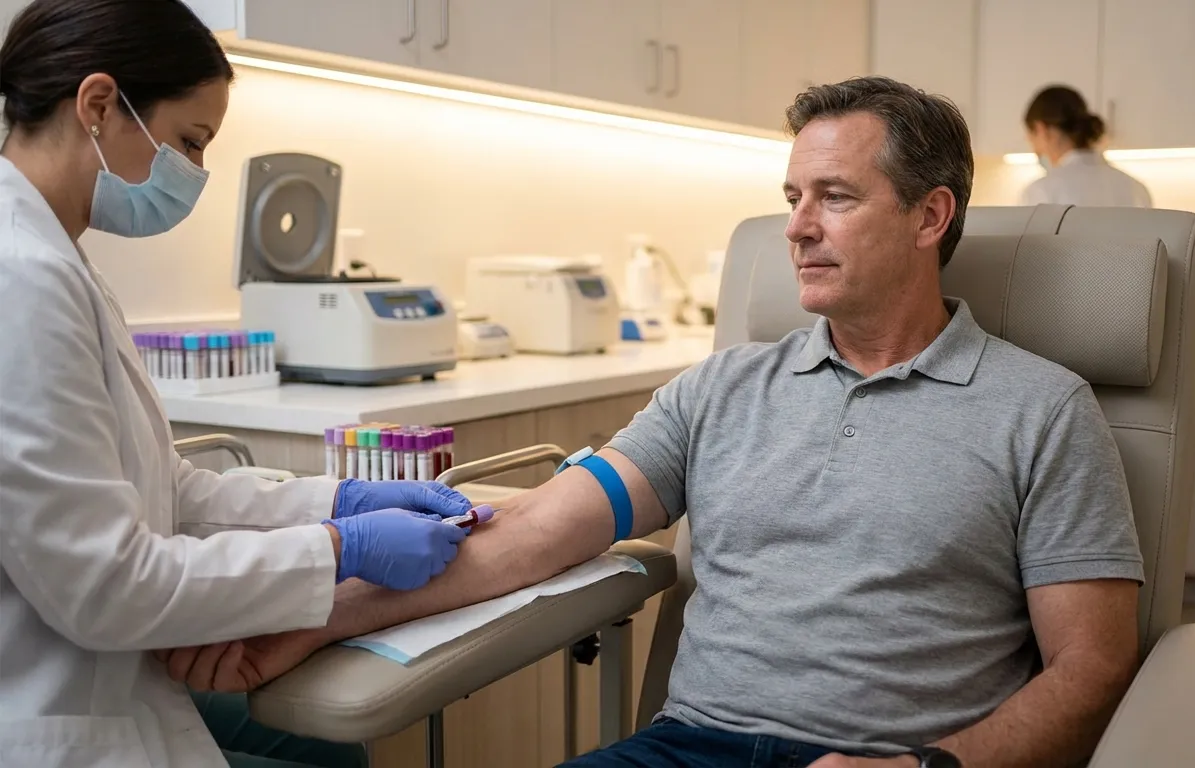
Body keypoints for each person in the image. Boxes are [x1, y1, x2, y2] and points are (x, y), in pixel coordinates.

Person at [164, 77, 1145, 768]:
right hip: (688, 749)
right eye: (791, 197)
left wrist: (935, 767)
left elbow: (1091, 667)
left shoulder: (1040, 411)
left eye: (834, 198)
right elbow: (531, 539)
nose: (796, 226)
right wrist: (316, 617)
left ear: (930, 217)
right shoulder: (717, 390)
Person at [0, 2, 483, 767]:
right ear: (98, 105)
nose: (192, 174)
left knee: (333, 751)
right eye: (190, 142)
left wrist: (340, 499)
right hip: (48, 704)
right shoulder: (19, 276)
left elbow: (165, 491)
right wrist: (339, 549)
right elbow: (106, 586)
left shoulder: (56, 259)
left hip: (104, 668)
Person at [1019, 84, 1152, 208]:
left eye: (1031, 138)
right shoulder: (1135, 188)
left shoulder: (1041, 191)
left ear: (1041, 130)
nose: (1035, 149)